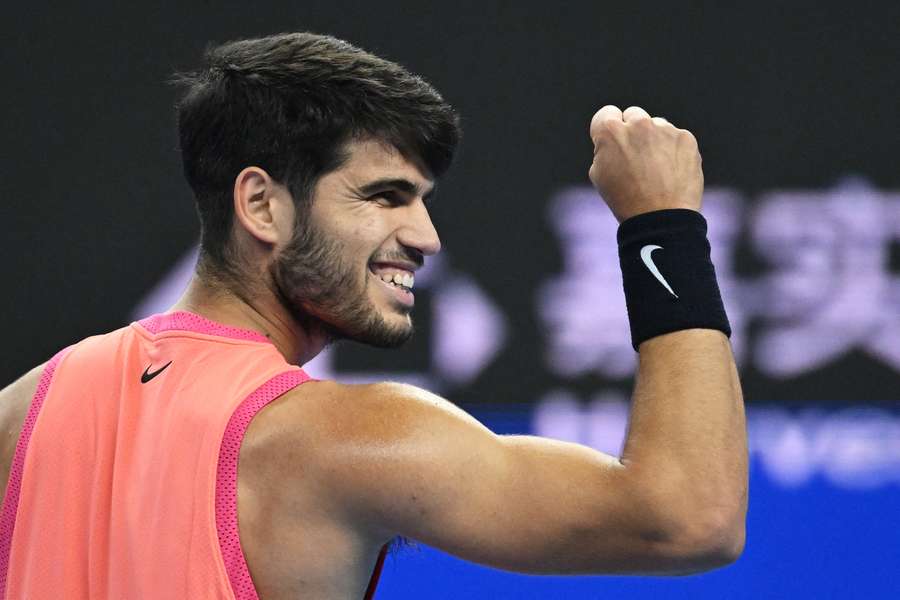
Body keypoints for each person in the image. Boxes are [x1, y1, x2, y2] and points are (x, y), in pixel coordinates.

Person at [0, 31, 747, 599]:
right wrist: (663, 228)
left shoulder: (20, 411)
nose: (426, 238)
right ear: (261, 204)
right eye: (385, 196)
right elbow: (688, 516)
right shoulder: (343, 441)